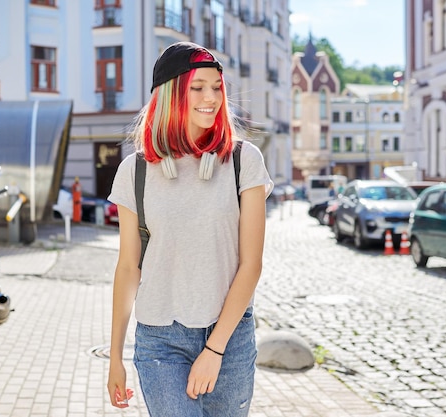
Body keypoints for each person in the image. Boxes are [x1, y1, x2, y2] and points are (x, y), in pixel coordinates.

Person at [106, 41, 273, 416]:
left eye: (216, 87)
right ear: (170, 94)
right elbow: (128, 268)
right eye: (197, 87)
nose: (210, 98)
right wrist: (115, 355)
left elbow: (251, 264)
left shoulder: (243, 161)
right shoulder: (134, 172)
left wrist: (214, 350)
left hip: (228, 338)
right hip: (160, 342)